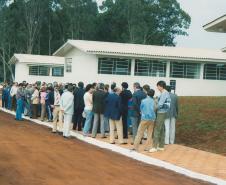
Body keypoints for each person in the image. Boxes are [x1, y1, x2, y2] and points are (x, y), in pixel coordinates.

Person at [149, 81, 171, 153]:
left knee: (157, 129)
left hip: (161, 112)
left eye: (158, 86)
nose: (157, 88)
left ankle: (154, 147)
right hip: (163, 112)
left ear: (161, 86)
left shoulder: (164, 93)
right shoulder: (165, 93)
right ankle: (161, 146)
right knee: (161, 129)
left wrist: (153, 109)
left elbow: (160, 104)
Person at [133, 87, 156, 151]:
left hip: (144, 118)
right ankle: (147, 147)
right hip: (152, 119)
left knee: (139, 133)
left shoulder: (143, 101)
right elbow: (154, 109)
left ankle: (135, 147)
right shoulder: (154, 101)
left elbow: (141, 109)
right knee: (149, 134)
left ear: (147, 94)